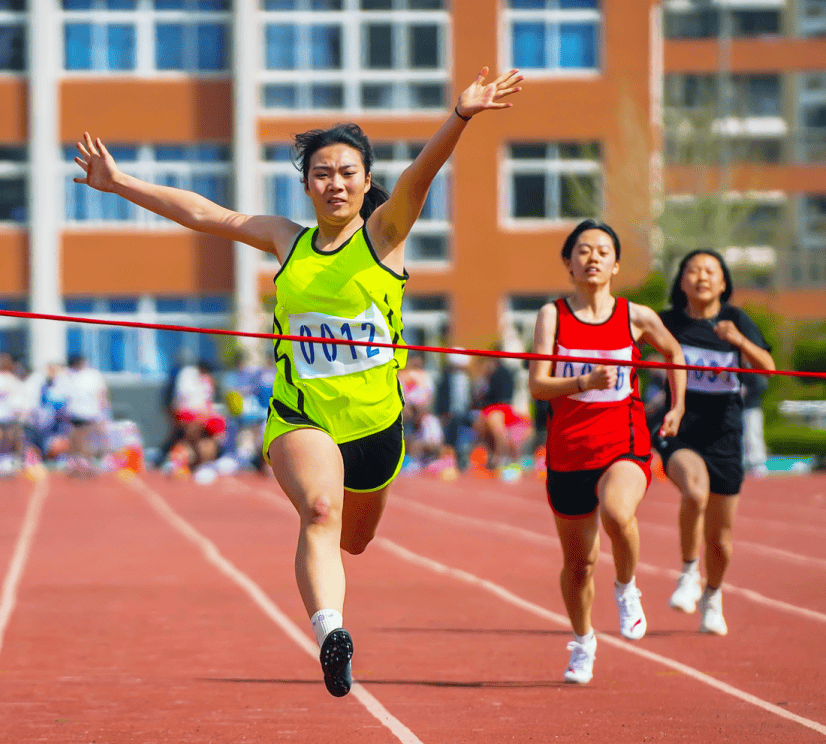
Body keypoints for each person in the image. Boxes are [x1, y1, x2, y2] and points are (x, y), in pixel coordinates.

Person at [74, 66, 523, 697]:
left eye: (346, 172)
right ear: (306, 184)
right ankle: (330, 631)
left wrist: (460, 116)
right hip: (301, 416)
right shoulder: (287, 241)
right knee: (320, 512)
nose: (334, 182)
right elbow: (206, 214)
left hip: (376, 422)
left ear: (366, 182)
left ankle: (334, 595)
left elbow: (422, 177)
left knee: (356, 540)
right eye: (321, 172)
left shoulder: (384, 235)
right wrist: (120, 183)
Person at [528, 219, 686, 685]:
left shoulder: (635, 317)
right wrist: (582, 381)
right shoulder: (552, 316)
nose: (592, 258)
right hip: (569, 451)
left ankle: (627, 588)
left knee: (618, 514)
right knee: (579, 566)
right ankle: (583, 642)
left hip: (626, 441)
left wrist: (677, 408)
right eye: (582, 251)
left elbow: (673, 351)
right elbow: (538, 385)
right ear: (568, 263)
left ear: (615, 264)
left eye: (602, 251)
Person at [655, 250, 775, 636]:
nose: (702, 277)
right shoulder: (667, 322)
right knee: (694, 492)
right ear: (682, 280)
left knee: (721, 541)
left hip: (725, 433)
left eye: (711, 271)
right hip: (680, 429)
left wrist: (738, 340)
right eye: (693, 270)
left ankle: (713, 593)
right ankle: (689, 572)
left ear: (723, 282)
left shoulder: (736, 320)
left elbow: (767, 368)